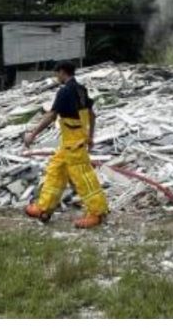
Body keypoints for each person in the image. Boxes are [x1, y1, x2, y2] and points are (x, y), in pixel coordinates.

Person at [23, 61, 108, 228]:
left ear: (62, 72)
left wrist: (32, 135)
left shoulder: (65, 91)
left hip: (74, 145)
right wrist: (90, 137)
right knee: (55, 171)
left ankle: (96, 213)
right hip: (70, 143)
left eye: (57, 74)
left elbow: (51, 116)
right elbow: (92, 115)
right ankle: (44, 208)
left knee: (83, 179)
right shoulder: (81, 90)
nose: (56, 78)